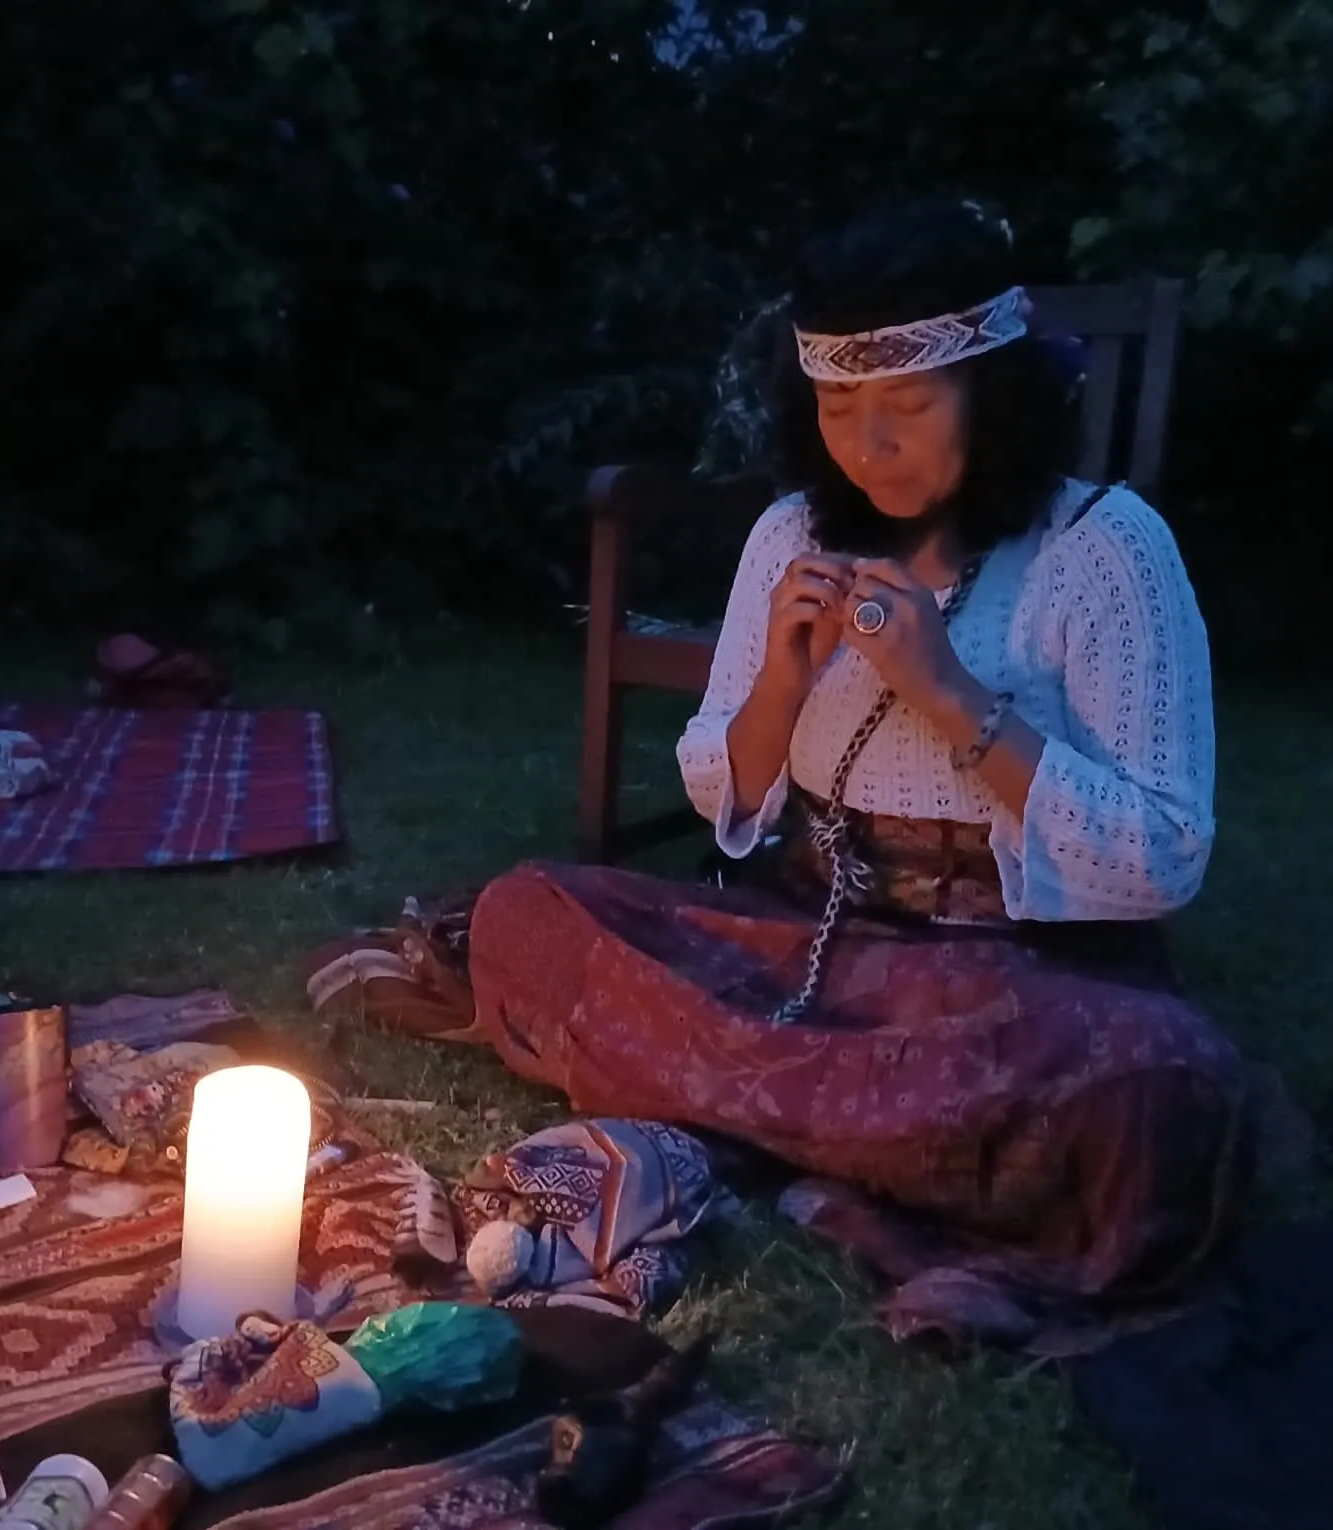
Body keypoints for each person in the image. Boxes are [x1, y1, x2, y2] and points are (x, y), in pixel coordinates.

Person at [314, 197, 1253, 1344]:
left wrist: (951, 695)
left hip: (1012, 983)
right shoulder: (790, 538)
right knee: (529, 910)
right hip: (803, 949)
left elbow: (1162, 855)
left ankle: (749, 1114)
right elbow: (730, 793)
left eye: (909, 404)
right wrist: (777, 692)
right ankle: (860, 1134)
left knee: (1163, 1084)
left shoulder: (1106, 551)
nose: (872, 444)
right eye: (841, 407)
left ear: (996, 396)